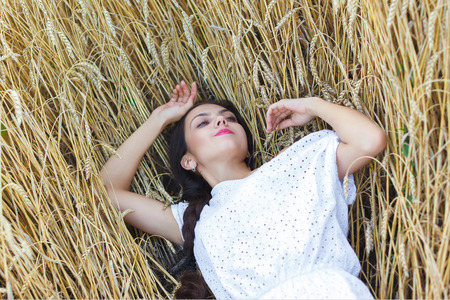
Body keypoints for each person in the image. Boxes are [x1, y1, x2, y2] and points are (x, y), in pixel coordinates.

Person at [100, 80, 387, 299]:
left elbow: (369, 140)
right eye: (203, 122)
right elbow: (106, 192)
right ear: (188, 160)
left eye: (229, 118)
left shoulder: (298, 163)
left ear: (247, 146)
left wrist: (312, 105)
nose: (221, 121)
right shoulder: (196, 221)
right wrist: (160, 119)